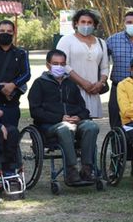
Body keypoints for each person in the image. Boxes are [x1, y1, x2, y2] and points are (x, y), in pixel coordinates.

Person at [28, 48, 99, 185]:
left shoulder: (71, 84)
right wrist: (60, 118)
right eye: (55, 63)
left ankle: (87, 169)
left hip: (75, 122)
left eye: (62, 64)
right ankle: (71, 170)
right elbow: (35, 111)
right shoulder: (39, 84)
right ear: (48, 65)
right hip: (50, 126)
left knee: (91, 126)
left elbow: (84, 109)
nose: (59, 67)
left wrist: (78, 116)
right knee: (65, 128)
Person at [57, 8, 110, 124]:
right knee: (72, 125)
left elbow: (105, 67)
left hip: (93, 91)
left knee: (89, 126)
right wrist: (82, 82)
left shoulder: (101, 43)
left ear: (94, 25)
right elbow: (63, 65)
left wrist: (101, 83)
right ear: (76, 23)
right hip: (73, 90)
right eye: (83, 22)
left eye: (89, 22)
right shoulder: (66, 40)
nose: (86, 25)